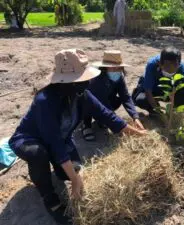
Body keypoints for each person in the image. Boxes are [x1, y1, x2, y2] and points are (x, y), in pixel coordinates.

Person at [8, 49, 146, 225]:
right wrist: (74, 179)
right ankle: (49, 198)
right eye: (81, 80)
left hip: (61, 139)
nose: (87, 82)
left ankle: (59, 169)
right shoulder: (45, 100)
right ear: (65, 82)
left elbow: (108, 117)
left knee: (71, 170)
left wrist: (139, 134)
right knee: (39, 154)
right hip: (30, 140)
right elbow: (53, 140)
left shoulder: (82, 94)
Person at [132, 47, 184, 122]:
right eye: (167, 70)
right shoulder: (152, 65)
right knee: (141, 99)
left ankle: (173, 111)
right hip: (155, 90)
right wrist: (159, 113)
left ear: (178, 65)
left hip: (172, 91)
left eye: (173, 70)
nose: (170, 73)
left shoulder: (181, 67)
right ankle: (154, 113)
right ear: (160, 64)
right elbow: (148, 91)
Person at [82, 50, 145, 141]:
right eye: (113, 68)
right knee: (88, 105)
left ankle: (102, 120)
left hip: (106, 100)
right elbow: (103, 106)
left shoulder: (119, 77)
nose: (116, 70)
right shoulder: (97, 79)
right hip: (91, 103)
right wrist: (122, 126)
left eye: (119, 68)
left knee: (116, 101)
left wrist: (135, 117)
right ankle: (86, 124)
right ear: (105, 68)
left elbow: (125, 97)